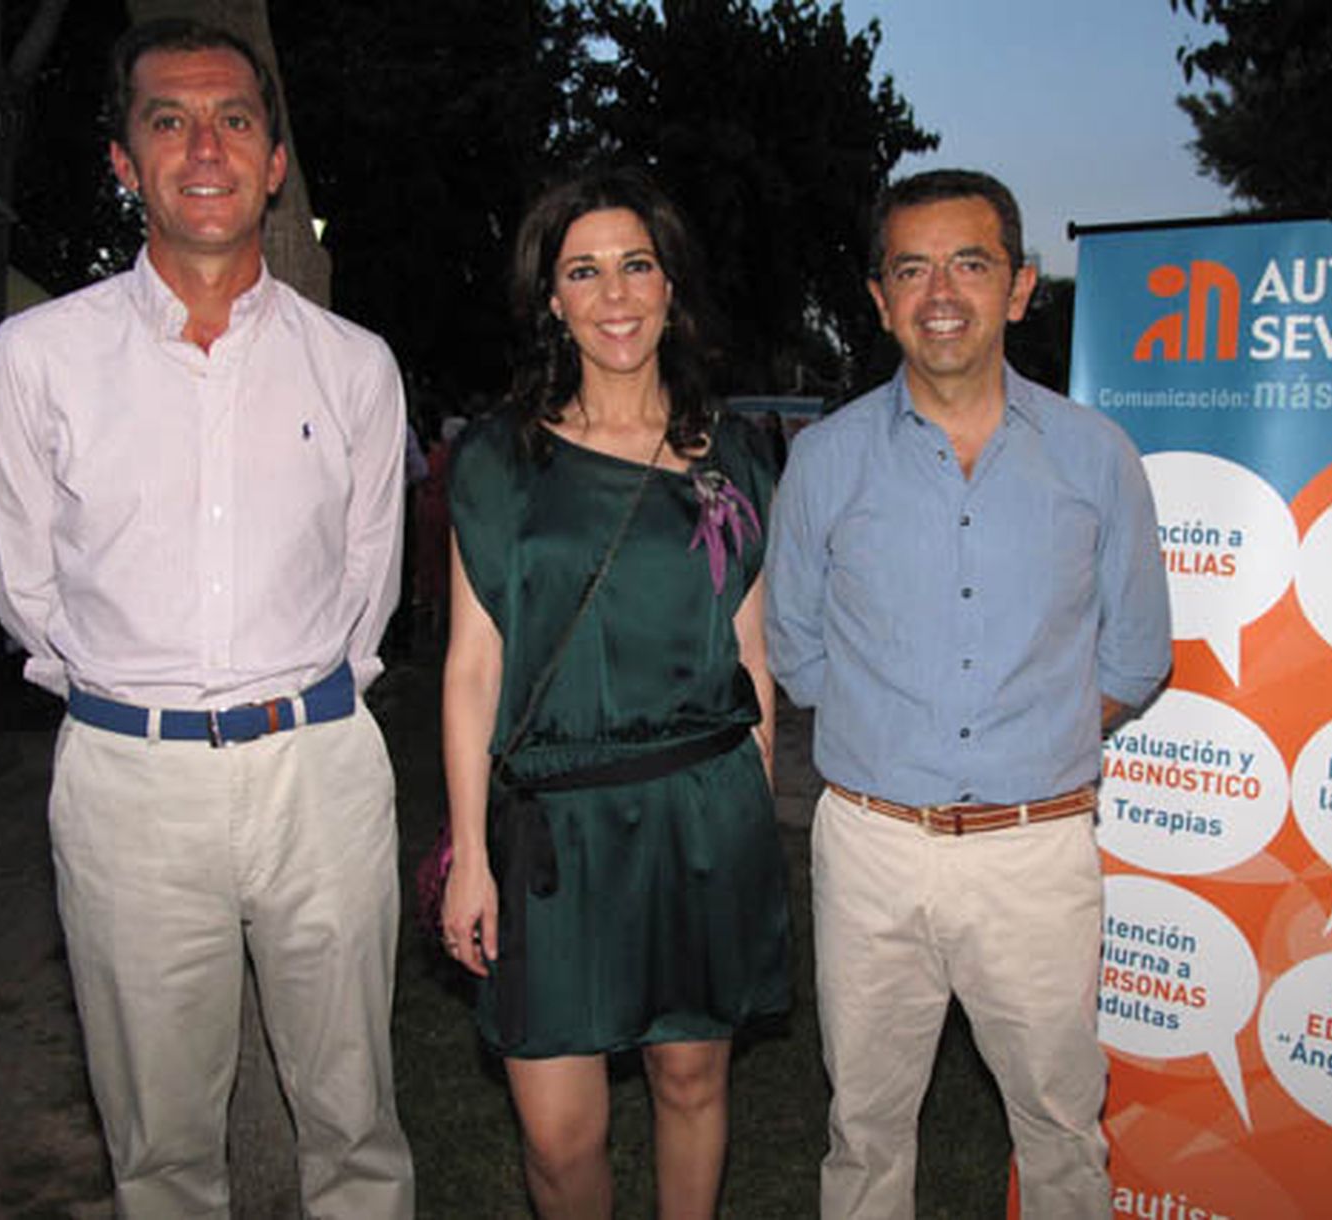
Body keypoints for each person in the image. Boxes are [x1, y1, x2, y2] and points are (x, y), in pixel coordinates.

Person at [0, 18, 413, 1218]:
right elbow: (28, 594)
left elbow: (370, 583)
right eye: (168, 119)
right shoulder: (36, 360)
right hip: (130, 783)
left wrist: (300, 704)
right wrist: (137, 705)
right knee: (159, 1153)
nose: (203, 145)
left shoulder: (356, 366)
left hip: (317, 769)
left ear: (275, 160)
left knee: (356, 1126)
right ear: (125, 160)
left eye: (234, 119)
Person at [766, 169, 1171, 1219]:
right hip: (868, 851)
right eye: (912, 267)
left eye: (971, 263)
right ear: (879, 296)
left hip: (1034, 856)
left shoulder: (1096, 457)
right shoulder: (824, 459)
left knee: (1059, 1130)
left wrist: (1026, 742)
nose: (940, 290)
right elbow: (797, 652)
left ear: (1020, 286)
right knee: (863, 1131)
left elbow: (1134, 657)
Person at [439, 164, 790, 1219]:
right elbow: (470, 668)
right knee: (560, 1136)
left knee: (692, 1079)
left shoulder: (733, 455)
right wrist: (469, 856)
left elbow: (752, 655)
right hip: (554, 834)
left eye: (636, 264)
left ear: (670, 282)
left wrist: (753, 824)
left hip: (701, 809)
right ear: (552, 298)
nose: (616, 294)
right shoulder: (501, 459)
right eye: (583, 271)